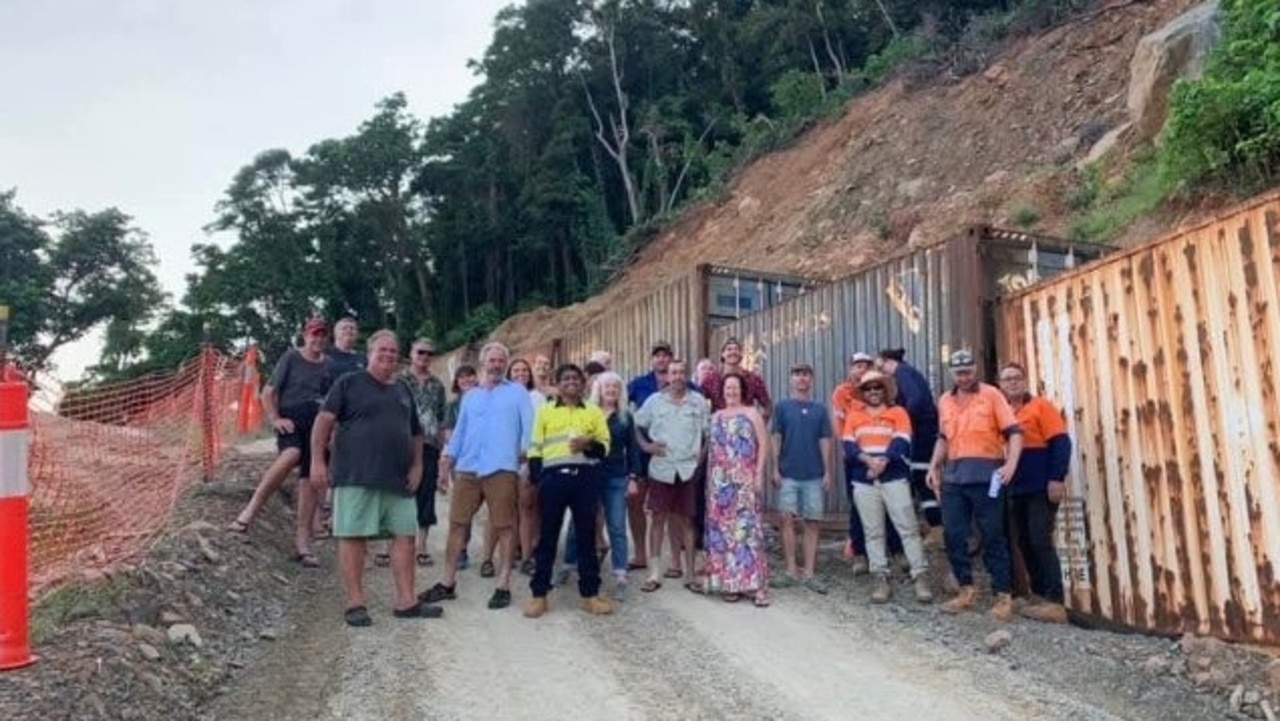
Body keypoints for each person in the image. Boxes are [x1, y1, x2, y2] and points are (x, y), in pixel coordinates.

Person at [309, 330, 443, 626]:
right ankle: (356, 603)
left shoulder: (403, 390)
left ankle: (406, 601)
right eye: (382, 350)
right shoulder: (349, 383)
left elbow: (417, 433)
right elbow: (323, 423)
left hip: (398, 480)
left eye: (394, 352)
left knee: (404, 538)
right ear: (368, 353)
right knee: (353, 537)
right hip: (356, 476)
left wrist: (417, 466)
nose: (388, 356)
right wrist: (318, 461)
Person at [420, 342, 534, 611]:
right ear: (484, 363)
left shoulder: (517, 393)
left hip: (502, 468)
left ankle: (503, 583)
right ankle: (447, 583)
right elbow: (459, 432)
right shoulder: (471, 396)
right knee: (457, 524)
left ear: (505, 363)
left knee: (505, 526)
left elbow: (529, 430)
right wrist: (446, 459)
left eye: (500, 360)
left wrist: (528, 463)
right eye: (491, 360)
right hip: (468, 468)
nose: (496, 364)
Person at [927, 349, 1023, 621]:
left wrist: (1011, 464)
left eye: (968, 371)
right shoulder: (945, 400)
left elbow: (1014, 433)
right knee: (954, 535)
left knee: (993, 535)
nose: (964, 376)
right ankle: (966, 589)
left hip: (987, 475)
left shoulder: (991, 395)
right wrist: (934, 465)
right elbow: (943, 437)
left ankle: (1003, 596)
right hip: (954, 477)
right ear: (952, 374)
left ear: (975, 370)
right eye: (959, 373)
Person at [228, 318, 331, 568]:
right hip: (291, 421)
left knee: (308, 481)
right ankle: (249, 511)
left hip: (317, 426)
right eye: (313, 335)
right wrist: (275, 418)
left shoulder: (329, 365)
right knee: (291, 454)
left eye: (322, 335)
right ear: (305, 336)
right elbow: (268, 391)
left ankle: (302, 543)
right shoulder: (291, 358)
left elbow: (331, 398)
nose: (317, 339)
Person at [524, 364, 615, 618]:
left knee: (586, 539)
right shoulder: (545, 412)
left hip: (585, 479)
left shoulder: (594, 413)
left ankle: (590, 595)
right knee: (548, 538)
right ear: (558, 383)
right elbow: (534, 449)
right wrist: (539, 479)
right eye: (565, 379)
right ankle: (539, 595)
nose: (571, 382)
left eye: (576, 378)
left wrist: (588, 444)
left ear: (583, 383)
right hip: (553, 479)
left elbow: (605, 447)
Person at [843, 370, 932, 604]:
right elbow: (849, 446)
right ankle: (880, 577)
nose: (873, 391)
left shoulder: (898, 412)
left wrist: (880, 463)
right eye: (868, 388)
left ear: (885, 390)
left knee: (908, 527)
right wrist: (869, 461)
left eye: (877, 387)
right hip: (864, 479)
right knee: (873, 532)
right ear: (862, 393)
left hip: (893, 477)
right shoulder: (854, 415)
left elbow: (901, 441)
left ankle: (920, 575)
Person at [998, 362, 1071, 624]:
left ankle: (1055, 601)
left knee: (1040, 538)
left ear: (1025, 381)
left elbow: (1061, 443)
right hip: (1014, 488)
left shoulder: (1041, 407)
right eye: (1007, 379)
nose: (1012, 382)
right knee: (1024, 541)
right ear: (1001, 385)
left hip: (1040, 486)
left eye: (1017, 377)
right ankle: (1038, 596)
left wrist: (1056, 478)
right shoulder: (1001, 412)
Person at [634, 359, 709, 593]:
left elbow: (708, 434)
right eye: (672, 372)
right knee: (658, 519)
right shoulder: (654, 401)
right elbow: (637, 424)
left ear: (686, 375)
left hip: (687, 470)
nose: (677, 376)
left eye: (681, 372)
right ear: (666, 376)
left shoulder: (698, 402)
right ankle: (655, 573)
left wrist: (702, 457)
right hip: (662, 468)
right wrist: (646, 446)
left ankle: (689, 575)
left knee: (687, 521)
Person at [563, 372, 640, 600]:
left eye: (616, 387)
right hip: (588, 473)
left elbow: (633, 449)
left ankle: (620, 573)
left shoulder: (626, 416)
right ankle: (569, 564)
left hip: (615, 476)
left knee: (616, 525)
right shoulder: (587, 412)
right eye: (607, 387)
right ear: (599, 389)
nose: (611, 391)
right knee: (578, 522)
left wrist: (634, 477)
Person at [700, 372, 771, 607]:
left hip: (744, 483)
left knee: (748, 534)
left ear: (742, 390)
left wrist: (759, 474)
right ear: (722, 391)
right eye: (727, 388)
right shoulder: (716, 416)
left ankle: (756, 585)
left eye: (735, 388)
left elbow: (763, 445)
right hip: (719, 486)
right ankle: (729, 583)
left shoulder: (752, 414)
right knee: (722, 535)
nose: (731, 391)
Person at [831, 350, 902, 572]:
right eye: (858, 365)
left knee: (890, 504)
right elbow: (838, 422)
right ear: (851, 369)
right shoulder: (842, 392)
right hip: (856, 457)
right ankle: (860, 553)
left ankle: (896, 551)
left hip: (883, 456)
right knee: (858, 507)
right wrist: (847, 447)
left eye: (866, 365)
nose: (861, 369)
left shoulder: (881, 389)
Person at [769, 363, 833, 593]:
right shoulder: (782, 407)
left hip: (814, 475)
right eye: (797, 374)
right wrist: (775, 468)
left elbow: (825, 440)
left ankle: (809, 572)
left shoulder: (820, 409)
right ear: (791, 380)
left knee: (812, 521)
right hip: (788, 474)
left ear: (811, 380)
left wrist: (827, 471)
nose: (801, 379)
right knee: (786, 519)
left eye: (805, 375)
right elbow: (776, 437)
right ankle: (790, 570)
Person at [878, 348, 942, 540]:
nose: (880, 371)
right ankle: (928, 525)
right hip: (923, 431)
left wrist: (901, 420)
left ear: (888, 361)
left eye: (881, 366)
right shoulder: (907, 373)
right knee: (917, 478)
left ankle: (937, 527)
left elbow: (916, 400)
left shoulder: (903, 373)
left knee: (921, 478)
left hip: (921, 434)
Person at [624, 341, 676, 572]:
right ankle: (640, 554)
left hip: (671, 454)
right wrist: (643, 444)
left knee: (671, 507)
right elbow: (627, 416)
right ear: (651, 360)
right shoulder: (638, 384)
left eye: (666, 356)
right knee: (635, 502)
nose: (662, 359)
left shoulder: (683, 384)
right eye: (657, 355)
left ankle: (675, 560)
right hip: (643, 453)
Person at [399, 338, 447, 569]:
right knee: (398, 492)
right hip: (401, 443)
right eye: (421, 352)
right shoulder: (399, 381)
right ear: (411, 353)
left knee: (426, 493)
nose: (425, 357)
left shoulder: (438, 385)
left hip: (428, 445)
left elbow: (440, 420)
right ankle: (393, 545)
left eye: (429, 353)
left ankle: (422, 545)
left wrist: (441, 451)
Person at [443, 365, 478, 571]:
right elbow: (448, 433)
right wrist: (451, 459)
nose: (466, 379)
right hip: (463, 462)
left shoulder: (486, 399)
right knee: (464, 508)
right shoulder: (453, 406)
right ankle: (461, 549)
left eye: (470, 375)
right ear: (456, 382)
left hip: (485, 459)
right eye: (461, 377)